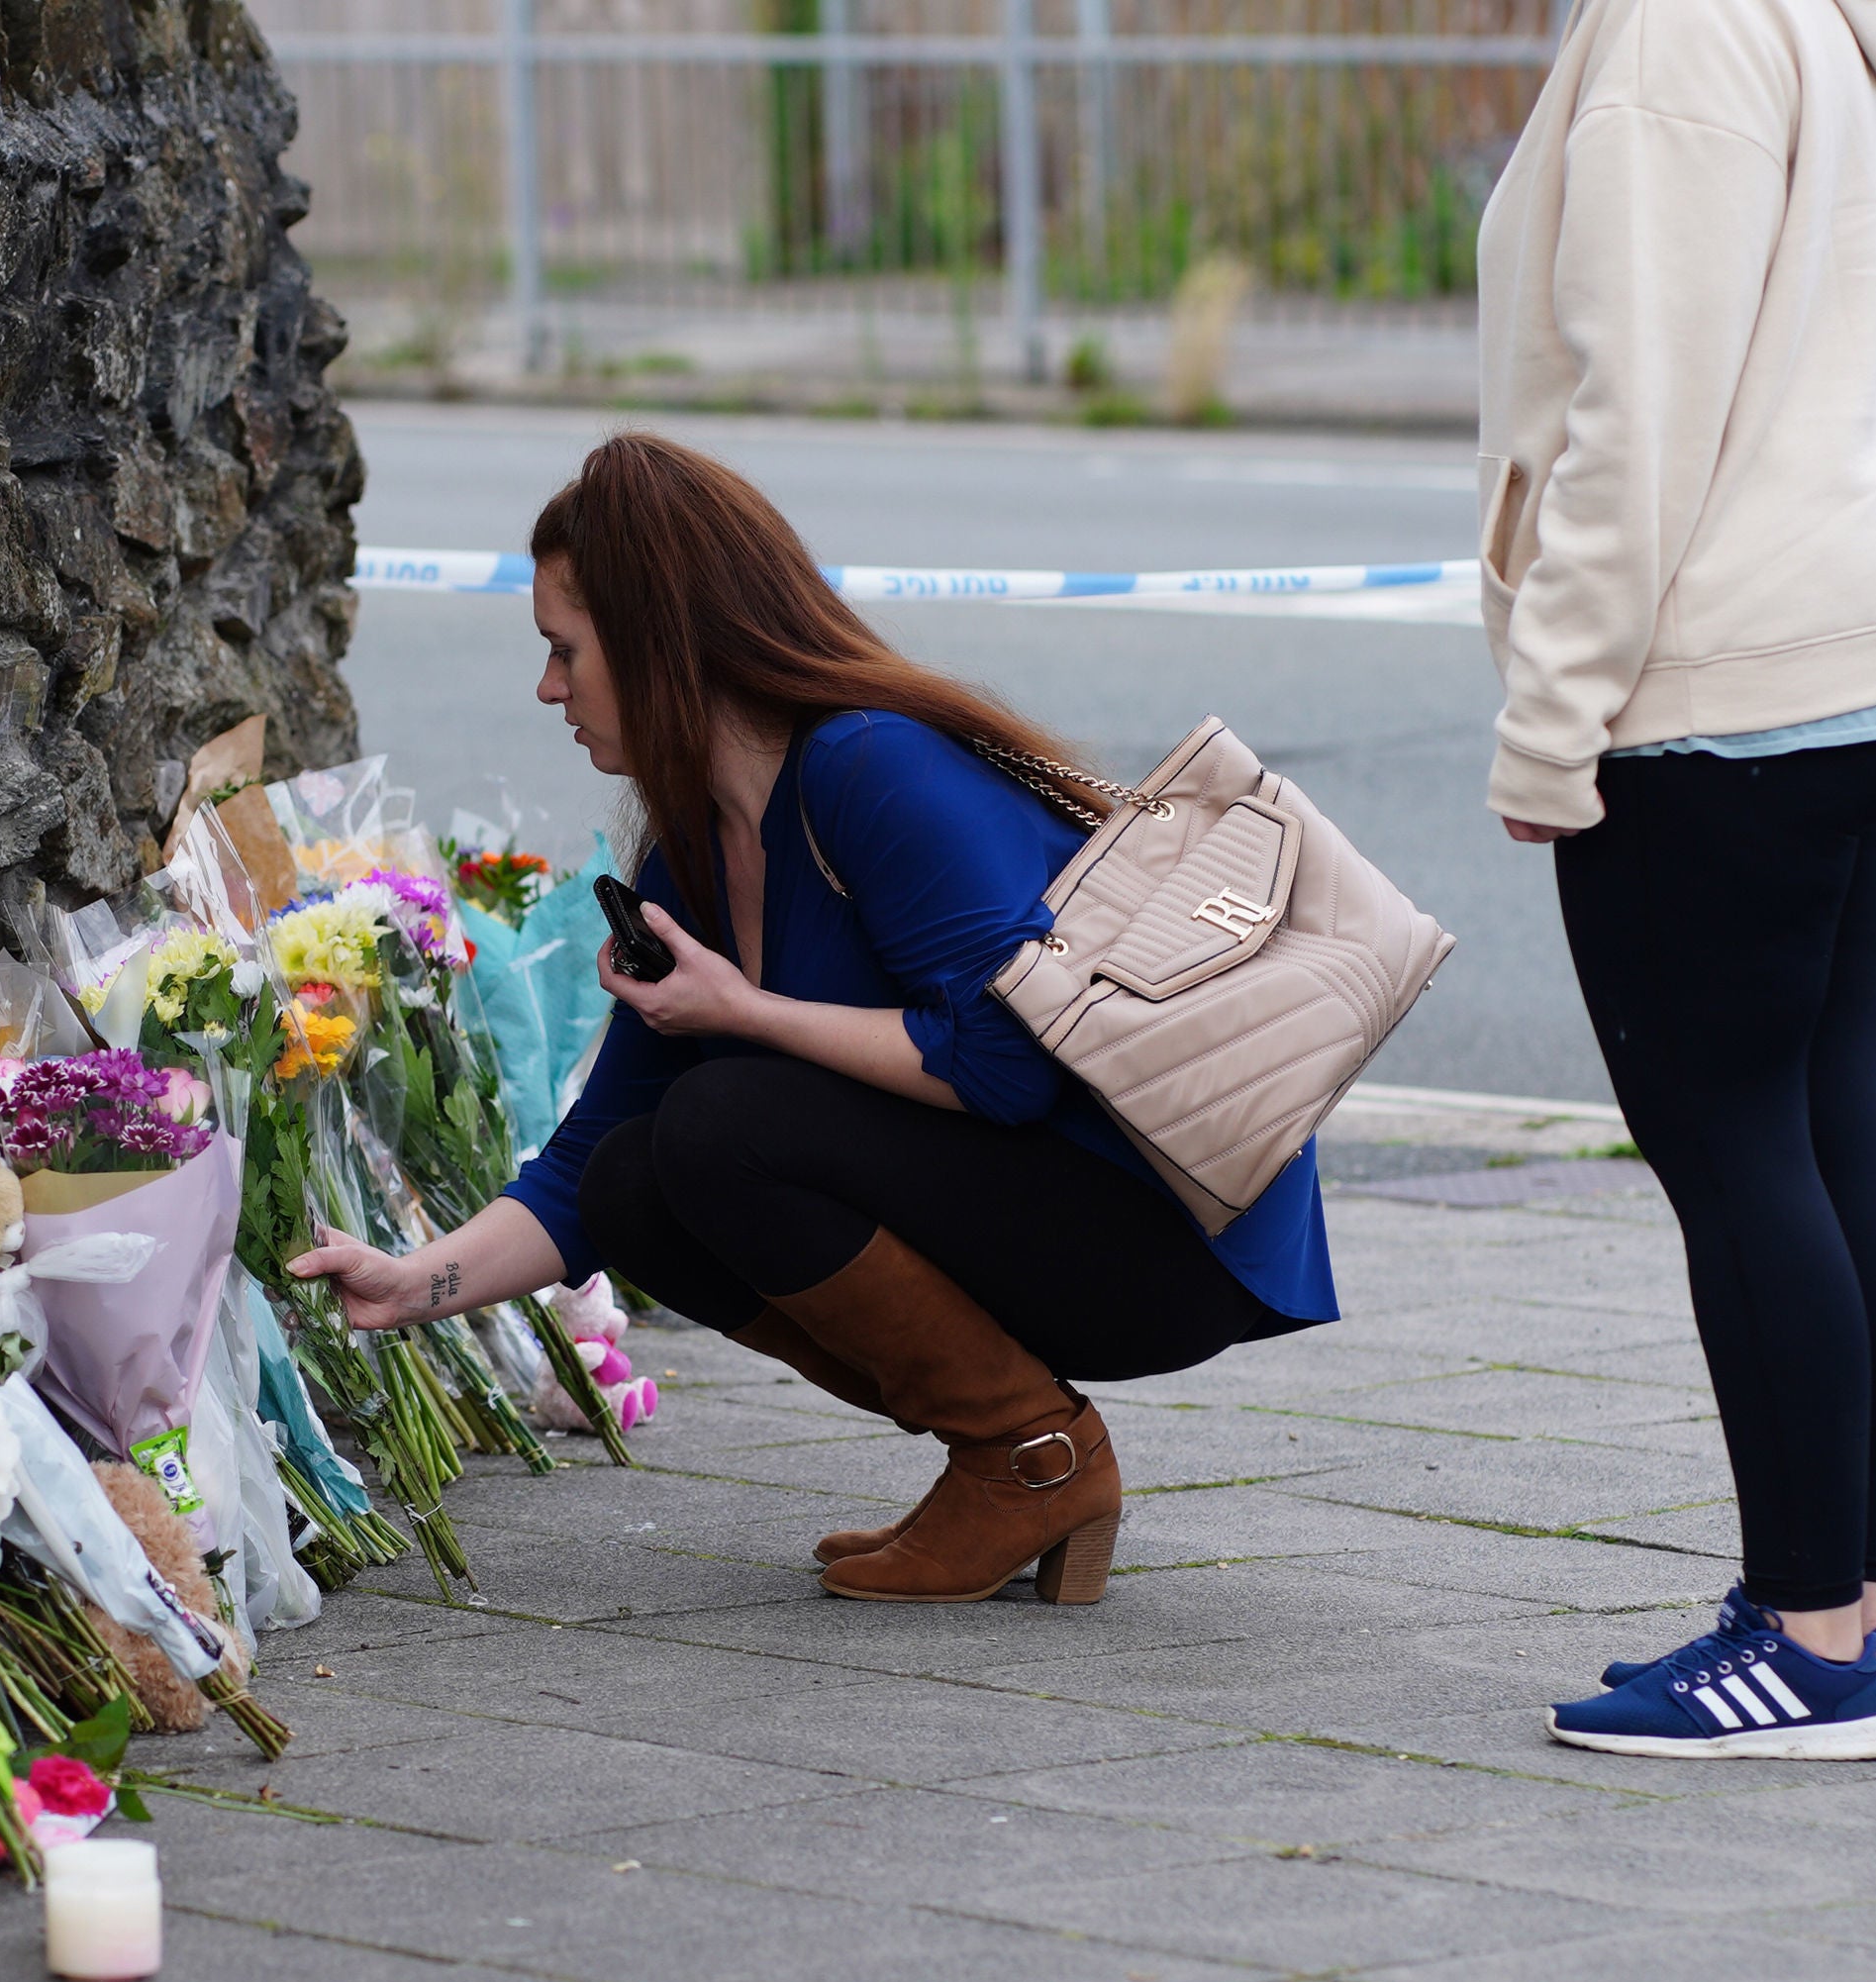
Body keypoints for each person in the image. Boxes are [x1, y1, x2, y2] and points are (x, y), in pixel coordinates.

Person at [290, 433, 1336, 1606]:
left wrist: (746, 1010)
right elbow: (589, 1163)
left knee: (724, 1119)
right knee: (642, 1178)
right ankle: (1011, 1457)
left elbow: (1005, 1068)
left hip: (1162, 1232)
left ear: (656, 643)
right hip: (1031, 1213)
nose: (548, 689)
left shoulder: (871, 765)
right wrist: (410, 1282)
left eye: (563, 649)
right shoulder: (689, 853)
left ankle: (1030, 1459)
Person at [1480, 0, 1876, 1755]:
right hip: (1849, 654)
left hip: (1710, 689)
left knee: (1736, 1152)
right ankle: (1847, 1599)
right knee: (1837, 1126)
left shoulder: (1680, 27)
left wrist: (1549, 715)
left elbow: (1639, 405)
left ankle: (1807, 1633)